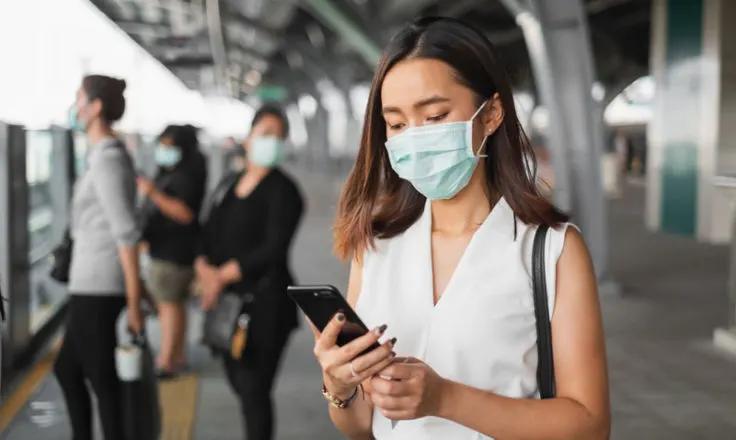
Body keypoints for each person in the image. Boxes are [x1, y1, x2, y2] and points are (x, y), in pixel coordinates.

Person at [312, 17, 611, 440]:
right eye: (396, 124)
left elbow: (591, 425)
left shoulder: (551, 249)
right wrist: (340, 387)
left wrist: (445, 400)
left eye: (434, 116)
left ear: (490, 115)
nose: (413, 137)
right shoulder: (375, 246)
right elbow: (361, 427)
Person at [196, 103, 304, 440]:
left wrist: (220, 276)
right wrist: (203, 268)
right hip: (227, 305)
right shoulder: (229, 182)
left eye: (279, 137)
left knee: (255, 391)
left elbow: (273, 248)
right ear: (248, 138)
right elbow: (205, 229)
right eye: (265, 134)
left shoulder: (285, 191)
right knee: (239, 384)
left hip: (266, 306)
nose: (272, 141)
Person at [53, 74, 143, 440]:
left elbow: (126, 232)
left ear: (95, 107)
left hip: (99, 287)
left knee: (104, 384)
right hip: (91, 284)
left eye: (79, 99)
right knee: (69, 371)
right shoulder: (101, 156)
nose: (75, 106)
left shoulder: (107, 159)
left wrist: (135, 302)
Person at [138, 124, 207, 378]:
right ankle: (177, 357)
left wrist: (153, 193)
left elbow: (184, 213)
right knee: (176, 305)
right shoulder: (181, 172)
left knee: (168, 305)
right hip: (172, 250)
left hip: (173, 252)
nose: (164, 150)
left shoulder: (184, 177)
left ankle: (166, 361)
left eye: (170, 146)